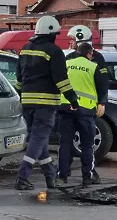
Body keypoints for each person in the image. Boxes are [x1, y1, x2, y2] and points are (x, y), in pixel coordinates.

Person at [14, 16, 80, 191]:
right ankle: (23, 176)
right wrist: (73, 99)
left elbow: (19, 79)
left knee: (40, 141)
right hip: (46, 103)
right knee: (37, 139)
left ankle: (51, 176)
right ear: (51, 33)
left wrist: (22, 95)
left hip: (27, 102)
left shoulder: (25, 49)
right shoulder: (54, 51)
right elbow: (61, 80)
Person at [57, 42, 108, 186]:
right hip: (86, 111)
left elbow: (58, 82)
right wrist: (101, 103)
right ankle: (87, 176)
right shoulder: (93, 67)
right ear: (89, 54)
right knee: (87, 145)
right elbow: (102, 87)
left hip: (66, 108)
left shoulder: (67, 63)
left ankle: (61, 175)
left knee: (65, 143)